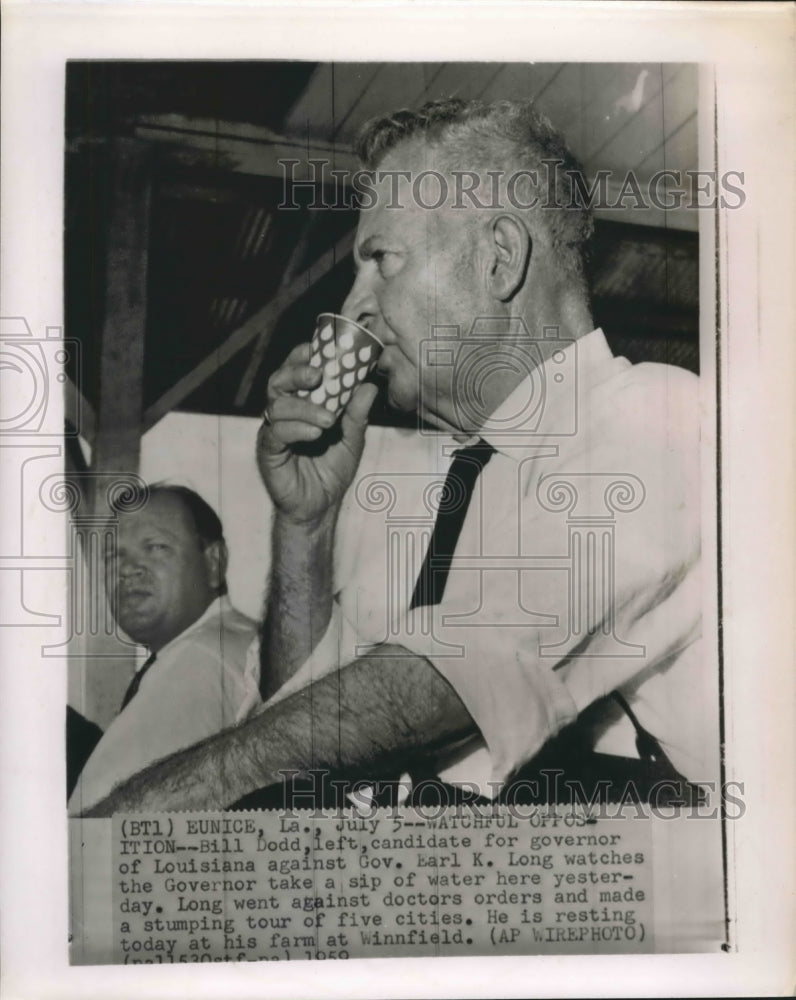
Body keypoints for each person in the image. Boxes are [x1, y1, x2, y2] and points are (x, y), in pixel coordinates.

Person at [80, 98, 710, 816]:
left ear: (498, 258)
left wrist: (160, 804)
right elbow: (315, 719)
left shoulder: (659, 416)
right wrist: (306, 525)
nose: (355, 309)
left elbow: (449, 676)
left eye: (381, 261)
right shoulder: (446, 488)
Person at [68, 484, 257, 813]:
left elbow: (101, 830)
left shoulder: (200, 657)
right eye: (114, 554)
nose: (127, 569)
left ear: (213, 562)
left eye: (155, 547)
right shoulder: (224, 641)